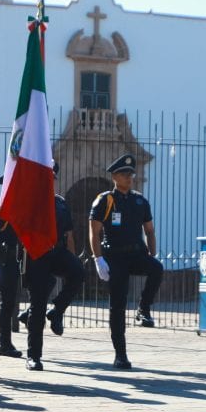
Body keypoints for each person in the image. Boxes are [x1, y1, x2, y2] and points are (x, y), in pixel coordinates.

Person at [89, 154, 164, 369]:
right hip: (115, 258)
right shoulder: (105, 200)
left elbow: (149, 229)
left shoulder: (139, 200)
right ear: (114, 176)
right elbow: (94, 231)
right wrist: (98, 258)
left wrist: (152, 250)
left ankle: (143, 309)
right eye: (124, 174)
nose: (129, 177)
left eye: (131, 174)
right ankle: (120, 354)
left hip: (136, 254)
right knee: (118, 306)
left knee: (157, 269)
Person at [16, 160, 84, 371]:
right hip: (37, 255)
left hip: (57, 251)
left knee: (79, 273)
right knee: (38, 306)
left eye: (52, 179)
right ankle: (33, 356)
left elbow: (68, 235)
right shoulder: (29, 201)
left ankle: (57, 311)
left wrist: (72, 260)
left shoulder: (61, 203)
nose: (50, 182)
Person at [0, 176, 24, 360]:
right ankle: (4, 344)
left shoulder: (17, 208)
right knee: (7, 303)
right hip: (5, 260)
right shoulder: (4, 211)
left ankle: (26, 317)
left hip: (19, 260)